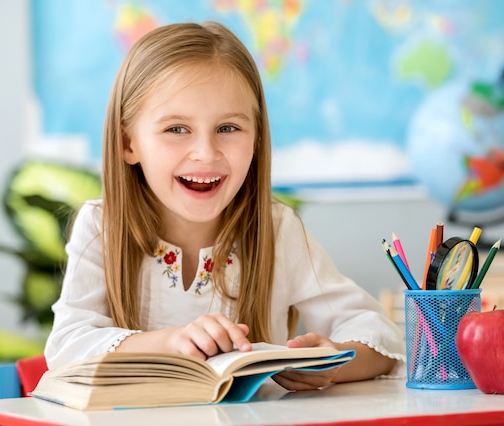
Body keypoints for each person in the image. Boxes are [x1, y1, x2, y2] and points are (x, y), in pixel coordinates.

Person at [45, 21, 405, 391]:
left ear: (256, 138)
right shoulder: (103, 225)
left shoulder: (275, 229)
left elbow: (380, 338)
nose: (206, 153)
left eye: (229, 128)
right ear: (128, 143)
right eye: (176, 129)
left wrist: (333, 360)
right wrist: (172, 342)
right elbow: (66, 347)